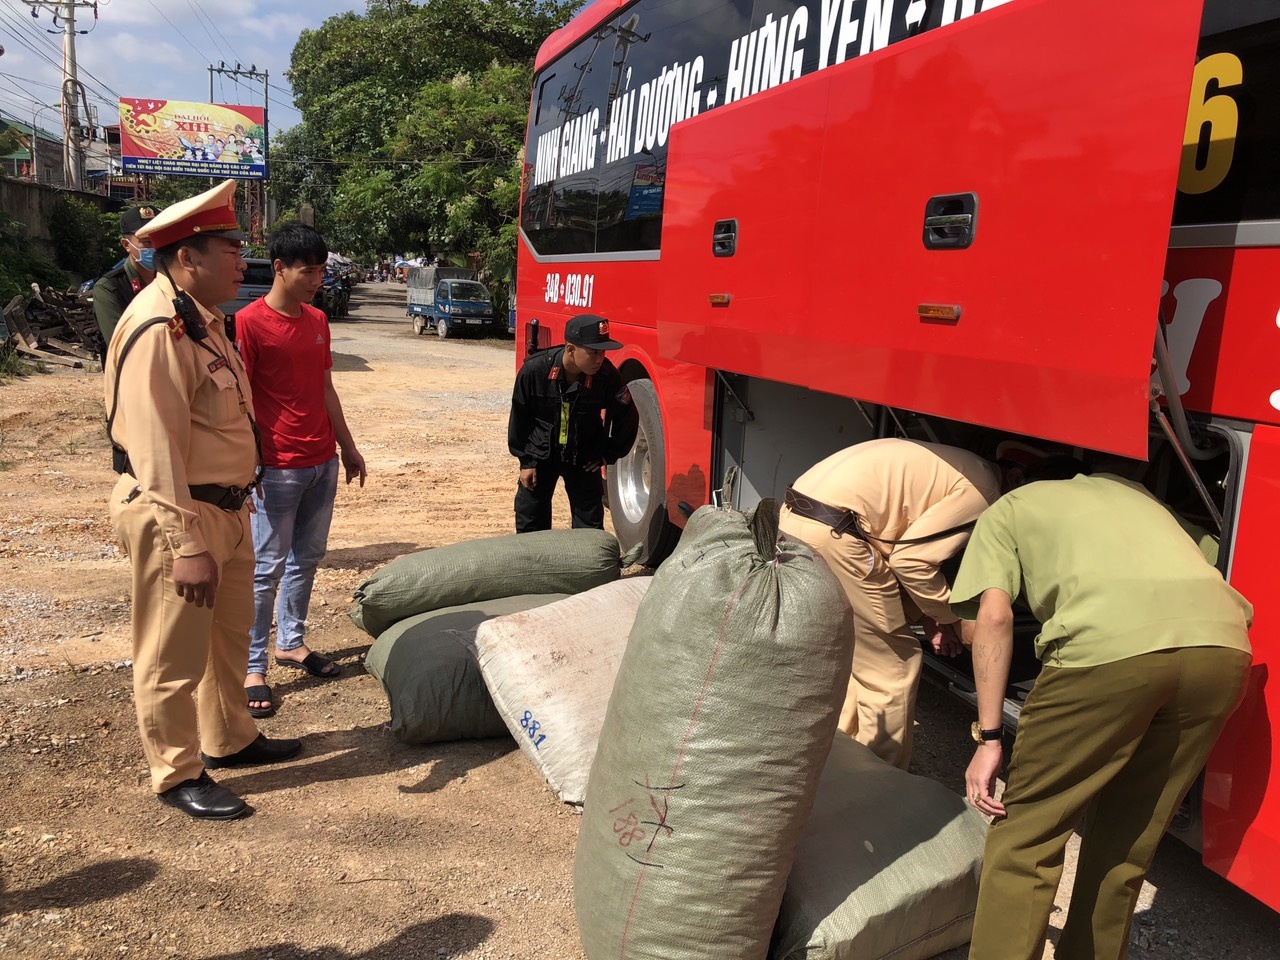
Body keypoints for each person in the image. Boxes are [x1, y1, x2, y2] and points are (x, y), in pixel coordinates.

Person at [952, 459, 1252, 960]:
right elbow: (1226, 551)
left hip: (1104, 655)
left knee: (1027, 840)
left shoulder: (1011, 507)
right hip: (1221, 652)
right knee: (1126, 846)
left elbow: (995, 617)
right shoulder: (1140, 497)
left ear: (1023, 475)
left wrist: (988, 739)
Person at [103, 179, 303, 822]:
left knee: (227, 636)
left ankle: (230, 738)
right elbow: (153, 448)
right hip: (179, 514)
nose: (241, 260)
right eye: (229, 247)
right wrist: (185, 543)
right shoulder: (159, 328)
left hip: (229, 509)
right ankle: (176, 771)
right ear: (187, 256)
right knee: (172, 653)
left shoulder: (202, 321)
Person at [778, 438, 1003, 769]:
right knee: (893, 665)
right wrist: (951, 617)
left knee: (860, 651)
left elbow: (893, 536)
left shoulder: (955, 463)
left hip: (795, 515)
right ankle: (881, 779)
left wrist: (929, 616)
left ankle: (840, 758)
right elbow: (911, 561)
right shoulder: (986, 490)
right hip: (838, 532)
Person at [234, 223, 366, 718]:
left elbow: (326, 388)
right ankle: (253, 666)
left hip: (320, 462)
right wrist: (248, 463)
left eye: (320, 269)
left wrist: (347, 447)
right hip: (277, 467)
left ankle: (291, 642)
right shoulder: (248, 322)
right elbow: (241, 398)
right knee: (265, 569)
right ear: (280, 268)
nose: (316, 278)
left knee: (307, 559)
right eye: (307, 270)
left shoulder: (317, 319)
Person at [507, 314, 638, 532]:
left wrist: (608, 453)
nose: (600, 359)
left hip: (584, 458)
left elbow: (628, 417)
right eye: (593, 352)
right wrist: (526, 462)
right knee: (530, 524)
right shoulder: (535, 371)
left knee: (590, 529)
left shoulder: (607, 376)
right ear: (570, 349)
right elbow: (520, 417)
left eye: (603, 352)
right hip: (541, 456)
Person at [93, 204, 163, 350]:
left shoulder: (173, 280)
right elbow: (121, 344)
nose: (155, 247)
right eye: (147, 242)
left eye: (160, 239)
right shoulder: (109, 288)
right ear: (127, 245)